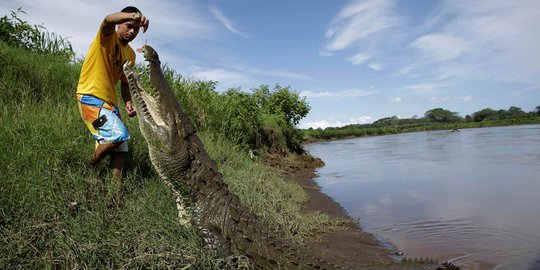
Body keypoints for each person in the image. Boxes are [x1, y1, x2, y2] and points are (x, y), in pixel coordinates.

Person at [76, 6, 149, 193]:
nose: (132, 31)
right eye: (128, 26)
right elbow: (108, 19)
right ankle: (88, 168)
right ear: (119, 25)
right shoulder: (107, 37)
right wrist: (136, 16)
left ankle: (114, 193)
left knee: (121, 148)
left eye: (136, 29)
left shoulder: (131, 55)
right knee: (118, 136)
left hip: (110, 103)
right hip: (90, 95)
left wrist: (128, 103)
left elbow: (125, 83)